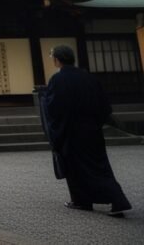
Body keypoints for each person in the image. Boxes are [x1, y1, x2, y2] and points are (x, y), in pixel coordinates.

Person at [40, 45, 132, 217]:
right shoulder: (88, 78)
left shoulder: (57, 80)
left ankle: (115, 200)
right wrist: (96, 123)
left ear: (57, 60)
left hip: (70, 131)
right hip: (92, 130)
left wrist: (54, 129)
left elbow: (54, 108)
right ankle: (83, 200)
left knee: (75, 167)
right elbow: (103, 106)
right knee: (98, 165)